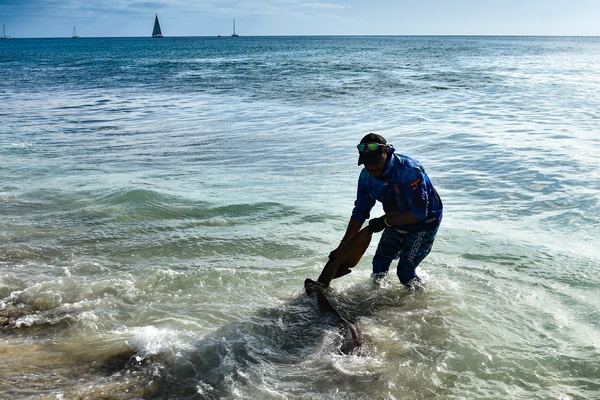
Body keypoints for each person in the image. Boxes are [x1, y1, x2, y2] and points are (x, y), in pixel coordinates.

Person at [330, 133, 443, 288]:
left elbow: (419, 213)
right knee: (379, 264)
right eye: (366, 162)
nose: (371, 166)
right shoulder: (366, 176)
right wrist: (343, 245)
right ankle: (379, 297)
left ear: (387, 153)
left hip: (425, 221)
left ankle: (422, 300)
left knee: (405, 272)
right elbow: (360, 211)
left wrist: (385, 222)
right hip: (395, 218)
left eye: (375, 161)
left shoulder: (409, 171)